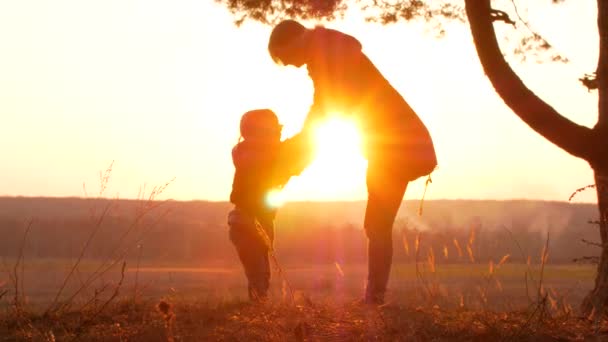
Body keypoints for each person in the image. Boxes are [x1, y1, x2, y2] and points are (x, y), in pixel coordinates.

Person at [268, 20, 437, 305]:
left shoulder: (328, 56)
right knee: (377, 224)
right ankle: (375, 295)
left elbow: (323, 113)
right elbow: (324, 112)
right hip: (396, 147)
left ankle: (375, 297)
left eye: (286, 58)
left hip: (397, 147)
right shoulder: (328, 53)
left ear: (294, 40)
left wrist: (288, 162)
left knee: (377, 225)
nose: (291, 66)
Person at [228, 108, 310, 302]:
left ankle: (258, 310)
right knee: (258, 276)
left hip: (258, 221)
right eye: (275, 129)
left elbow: (291, 158)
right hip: (245, 222)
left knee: (260, 274)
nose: (280, 132)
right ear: (260, 133)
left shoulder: (254, 153)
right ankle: (257, 313)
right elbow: (284, 156)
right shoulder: (249, 153)